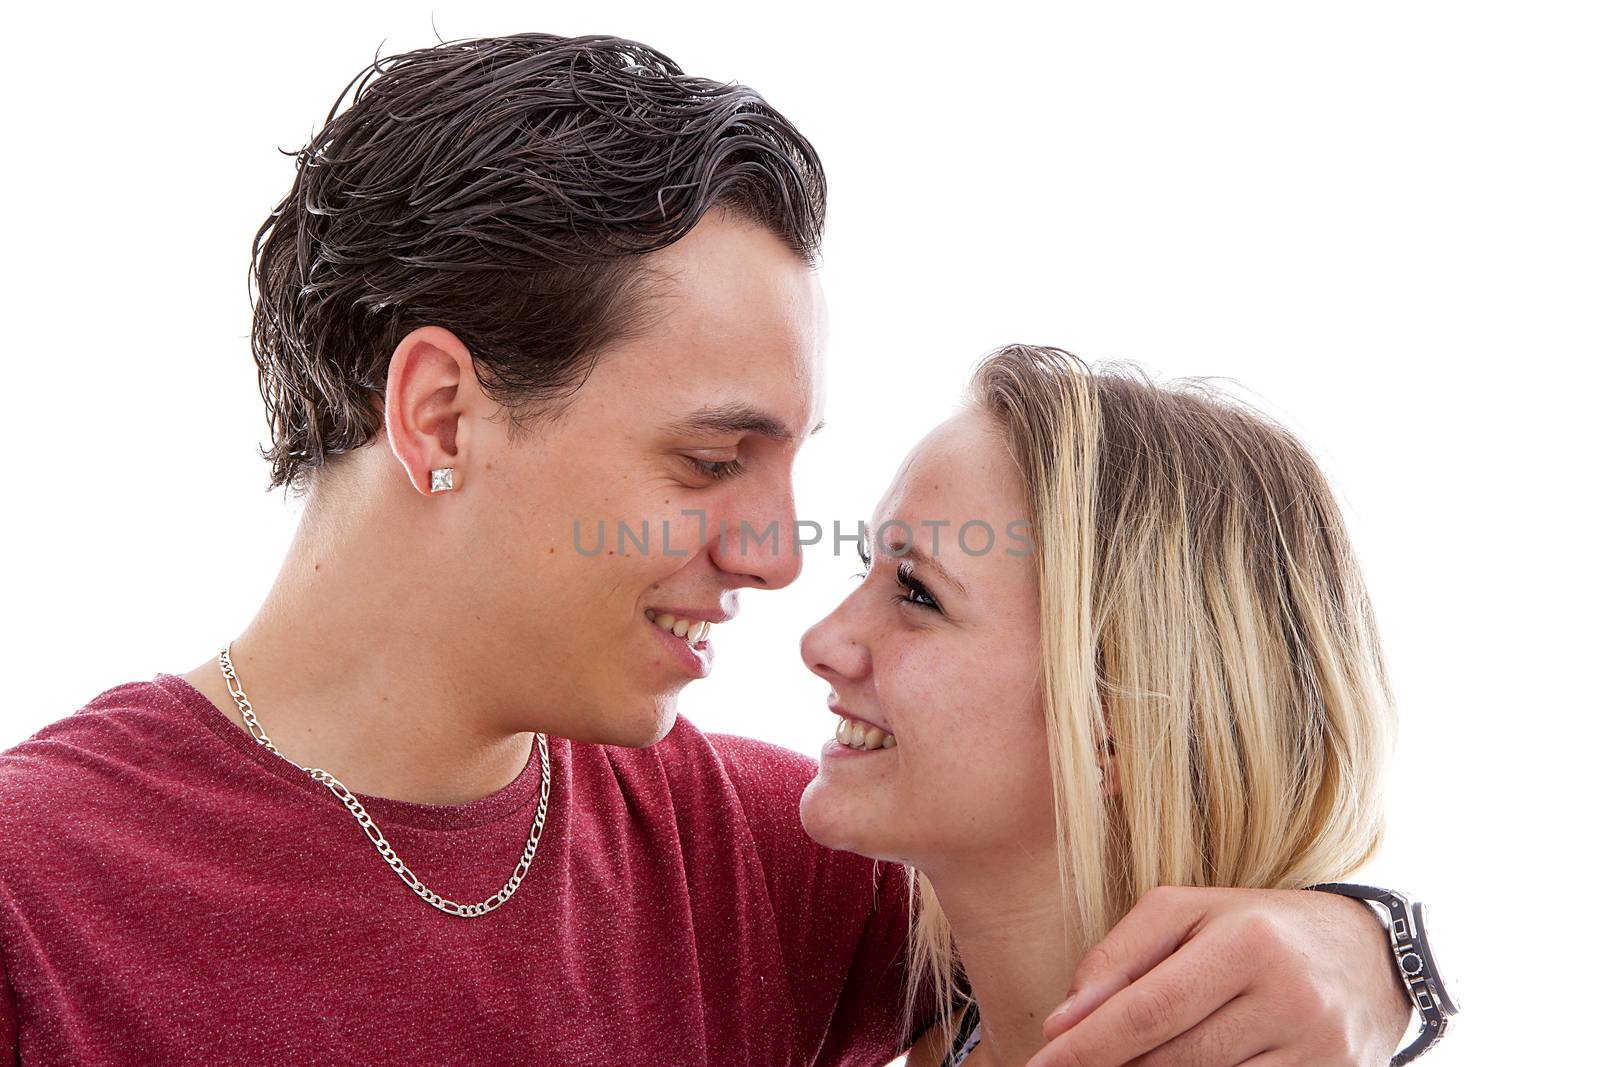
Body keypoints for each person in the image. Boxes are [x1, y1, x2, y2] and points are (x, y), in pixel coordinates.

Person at [0, 32, 1411, 1065]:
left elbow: (1146, 826)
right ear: (440, 413)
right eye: (711, 459)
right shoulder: (39, 895)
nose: (783, 560)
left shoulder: (767, 851)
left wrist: (1380, 952)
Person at [801, 346, 1407, 1067]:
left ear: (1113, 730)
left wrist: (1404, 959)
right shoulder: (939, 1038)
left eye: (917, 592)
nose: (822, 640)